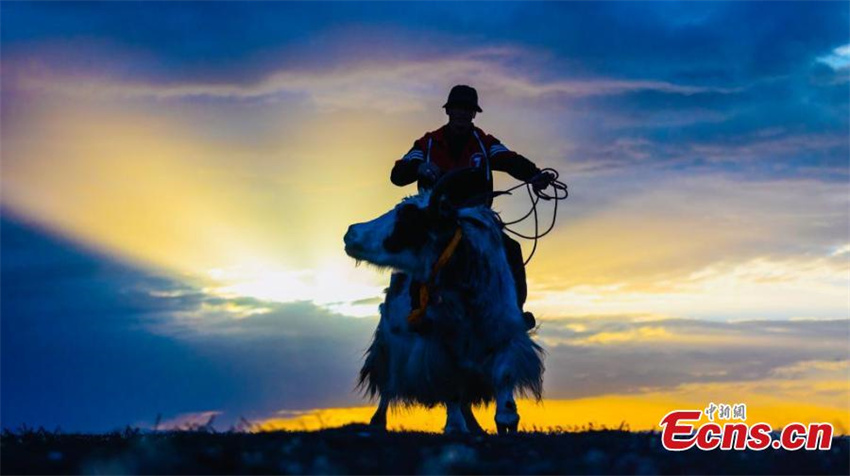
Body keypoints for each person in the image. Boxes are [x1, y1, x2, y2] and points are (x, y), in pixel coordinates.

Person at [390, 85, 553, 330]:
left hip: (475, 218)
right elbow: (397, 175)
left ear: (474, 114)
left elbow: (509, 160)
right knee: (418, 254)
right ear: (449, 111)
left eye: (467, 110)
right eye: (458, 109)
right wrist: (418, 168)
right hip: (435, 220)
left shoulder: (485, 143)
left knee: (511, 249)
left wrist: (535, 175)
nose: (462, 114)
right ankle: (417, 310)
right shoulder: (427, 144)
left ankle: (515, 312)